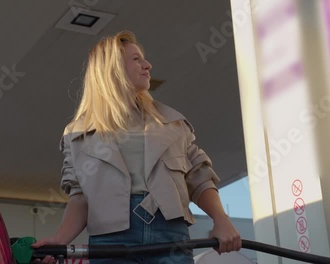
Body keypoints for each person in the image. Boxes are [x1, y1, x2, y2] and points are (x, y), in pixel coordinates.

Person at [32, 30, 241, 263]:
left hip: (170, 238)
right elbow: (80, 196)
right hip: (110, 244)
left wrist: (222, 220)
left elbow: (199, 177)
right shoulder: (77, 134)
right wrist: (59, 241)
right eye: (136, 59)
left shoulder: (172, 123)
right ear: (112, 69)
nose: (148, 65)